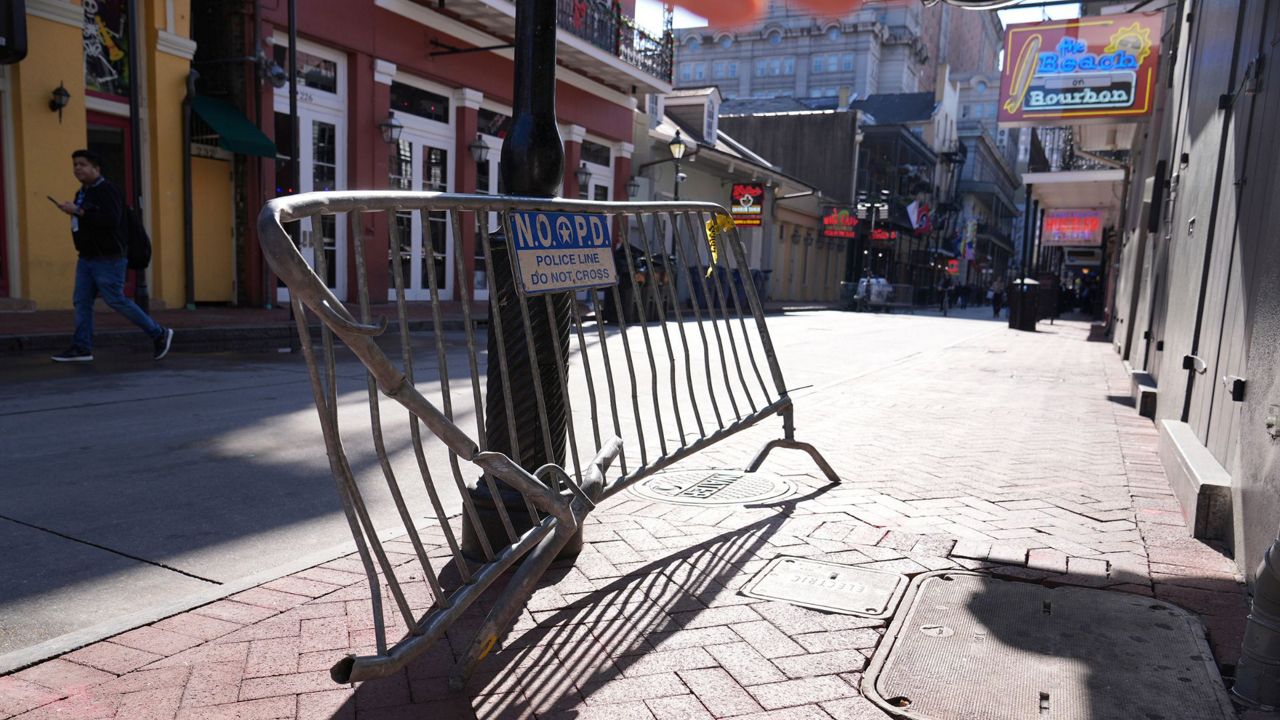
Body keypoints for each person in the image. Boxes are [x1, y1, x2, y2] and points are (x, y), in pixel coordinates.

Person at [50, 150, 172, 362]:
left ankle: (159, 333)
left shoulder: (108, 190)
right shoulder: (82, 192)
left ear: (96, 169)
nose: (77, 168)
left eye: (83, 164)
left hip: (108, 258)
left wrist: (78, 212)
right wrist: (76, 212)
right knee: (81, 301)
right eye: (75, 165)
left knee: (116, 300)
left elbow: (111, 220)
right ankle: (82, 347)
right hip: (87, 258)